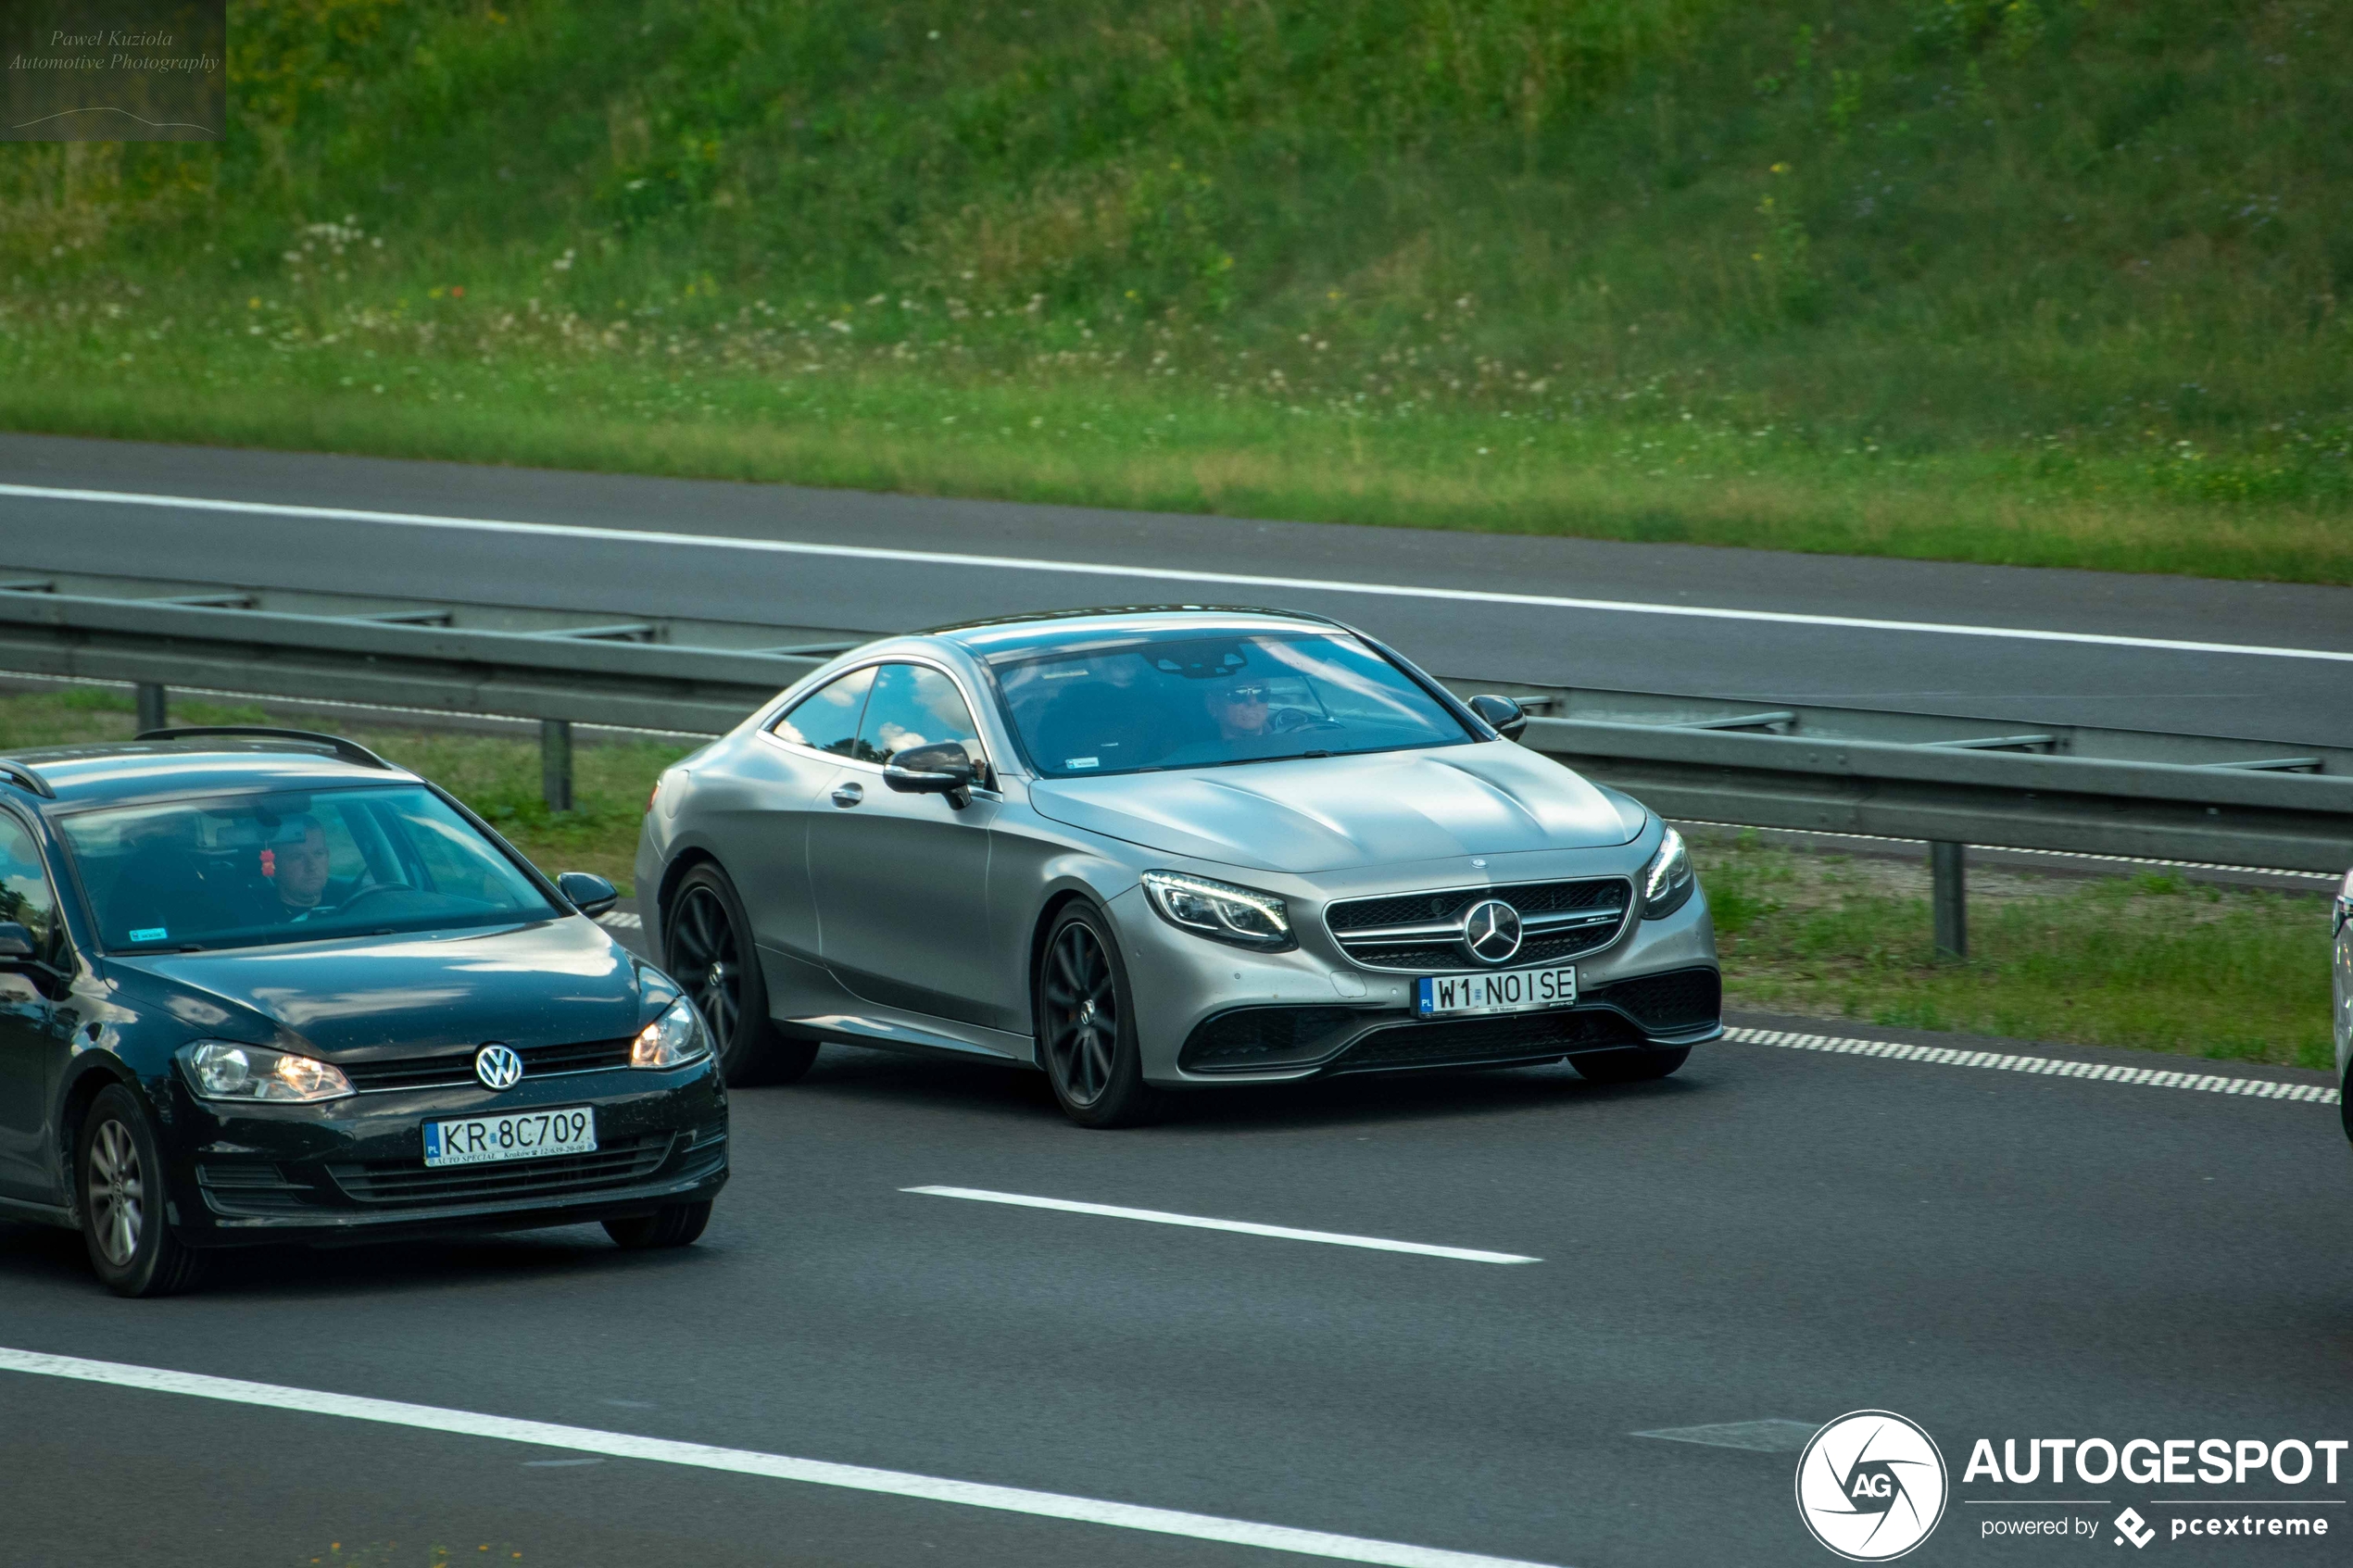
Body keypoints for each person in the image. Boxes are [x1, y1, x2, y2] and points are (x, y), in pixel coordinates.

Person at [257, 816, 335, 921]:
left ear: (328, 855)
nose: (312, 866)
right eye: (297, 857)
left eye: (318, 854)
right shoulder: (258, 919)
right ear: (273, 865)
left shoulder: (352, 903)